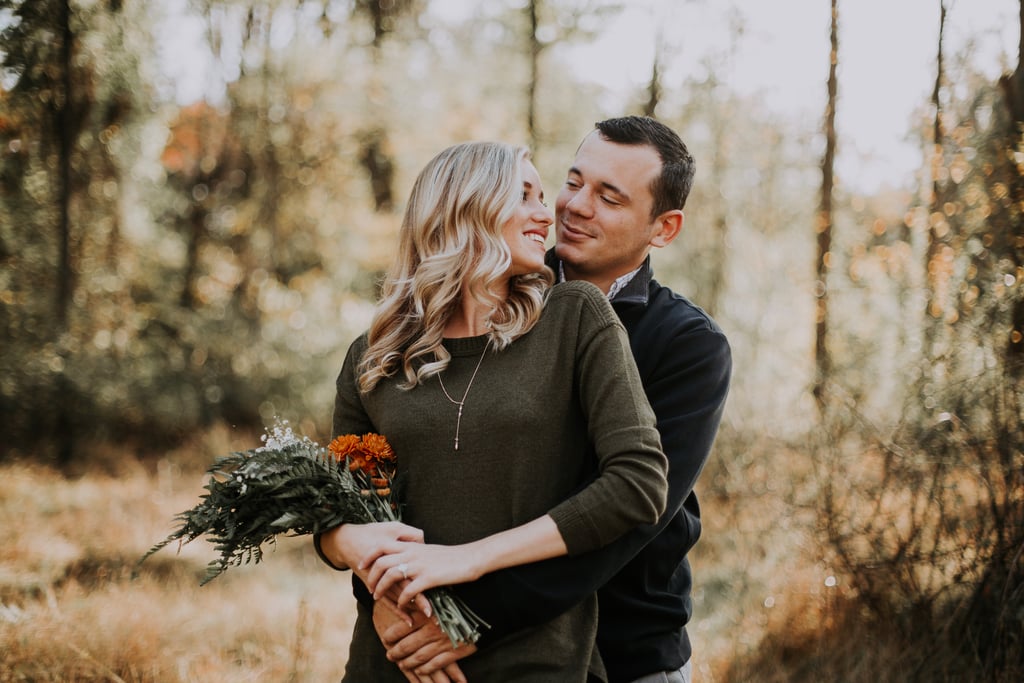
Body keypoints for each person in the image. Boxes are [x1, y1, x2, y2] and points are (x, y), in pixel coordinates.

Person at [369, 116, 732, 683]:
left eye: (609, 198)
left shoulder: (687, 345)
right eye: (574, 181)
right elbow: (406, 478)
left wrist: (476, 619)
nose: (574, 207)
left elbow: (631, 517)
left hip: (625, 647)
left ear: (663, 228)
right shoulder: (486, 298)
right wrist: (389, 599)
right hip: (459, 642)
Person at [318, 140, 670, 682]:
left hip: (534, 662)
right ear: (464, 208)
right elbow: (337, 508)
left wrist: (471, 557)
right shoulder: (374, 355)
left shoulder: (574, 319)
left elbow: (638, 483)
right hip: (395, 660)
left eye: (541, 195)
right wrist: (348, 548)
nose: (545, 214)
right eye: (522, 195)